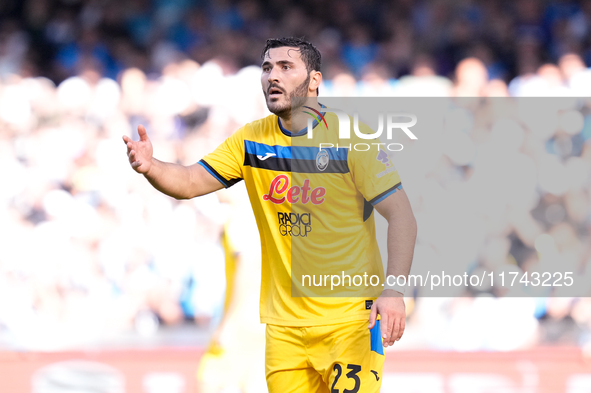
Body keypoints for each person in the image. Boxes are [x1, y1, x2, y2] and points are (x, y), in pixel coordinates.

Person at [123, 37, 417, 393]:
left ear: (314, 80)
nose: (272, 76)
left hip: (350, 322)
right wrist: (152, 167)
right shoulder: (251, 141)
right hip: (284, 331)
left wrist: (394, 290)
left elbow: (401, 215)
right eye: (266, 68)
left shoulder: (352, 139)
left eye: (285, 67)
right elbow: (189, 181)